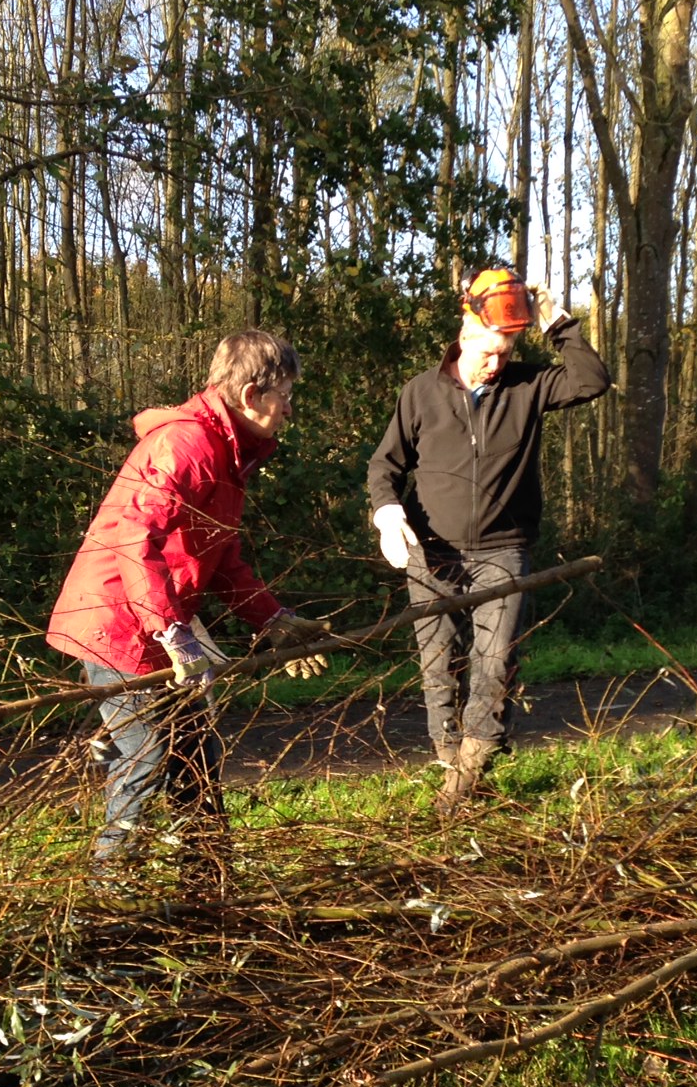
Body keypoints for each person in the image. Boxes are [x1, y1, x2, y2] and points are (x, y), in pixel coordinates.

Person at [46, 330, 327, 869]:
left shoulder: (226, 452)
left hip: (153, 622)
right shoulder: (187, 445)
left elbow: (220, 557)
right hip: (116, 624)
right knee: (148, 757)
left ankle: (208, 879)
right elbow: (135, 538)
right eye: (285, 395)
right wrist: (172, 633)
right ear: (251, 394)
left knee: (195, 755)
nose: (290, 409)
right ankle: (108, 884)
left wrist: (272, 619)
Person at [366, 266, 610, 811]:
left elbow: (592, 380)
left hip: (503, 550)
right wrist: (386, 510)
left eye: (505, 352)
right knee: (439, 667)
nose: (496, 363)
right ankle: (449, 760)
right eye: (487, 352)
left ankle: (466, 777)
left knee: (495, 663)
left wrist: (557, 322)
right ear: (463, 335)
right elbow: (385, 465)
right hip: (430, 552)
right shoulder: (421, 393)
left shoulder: (528, 385)